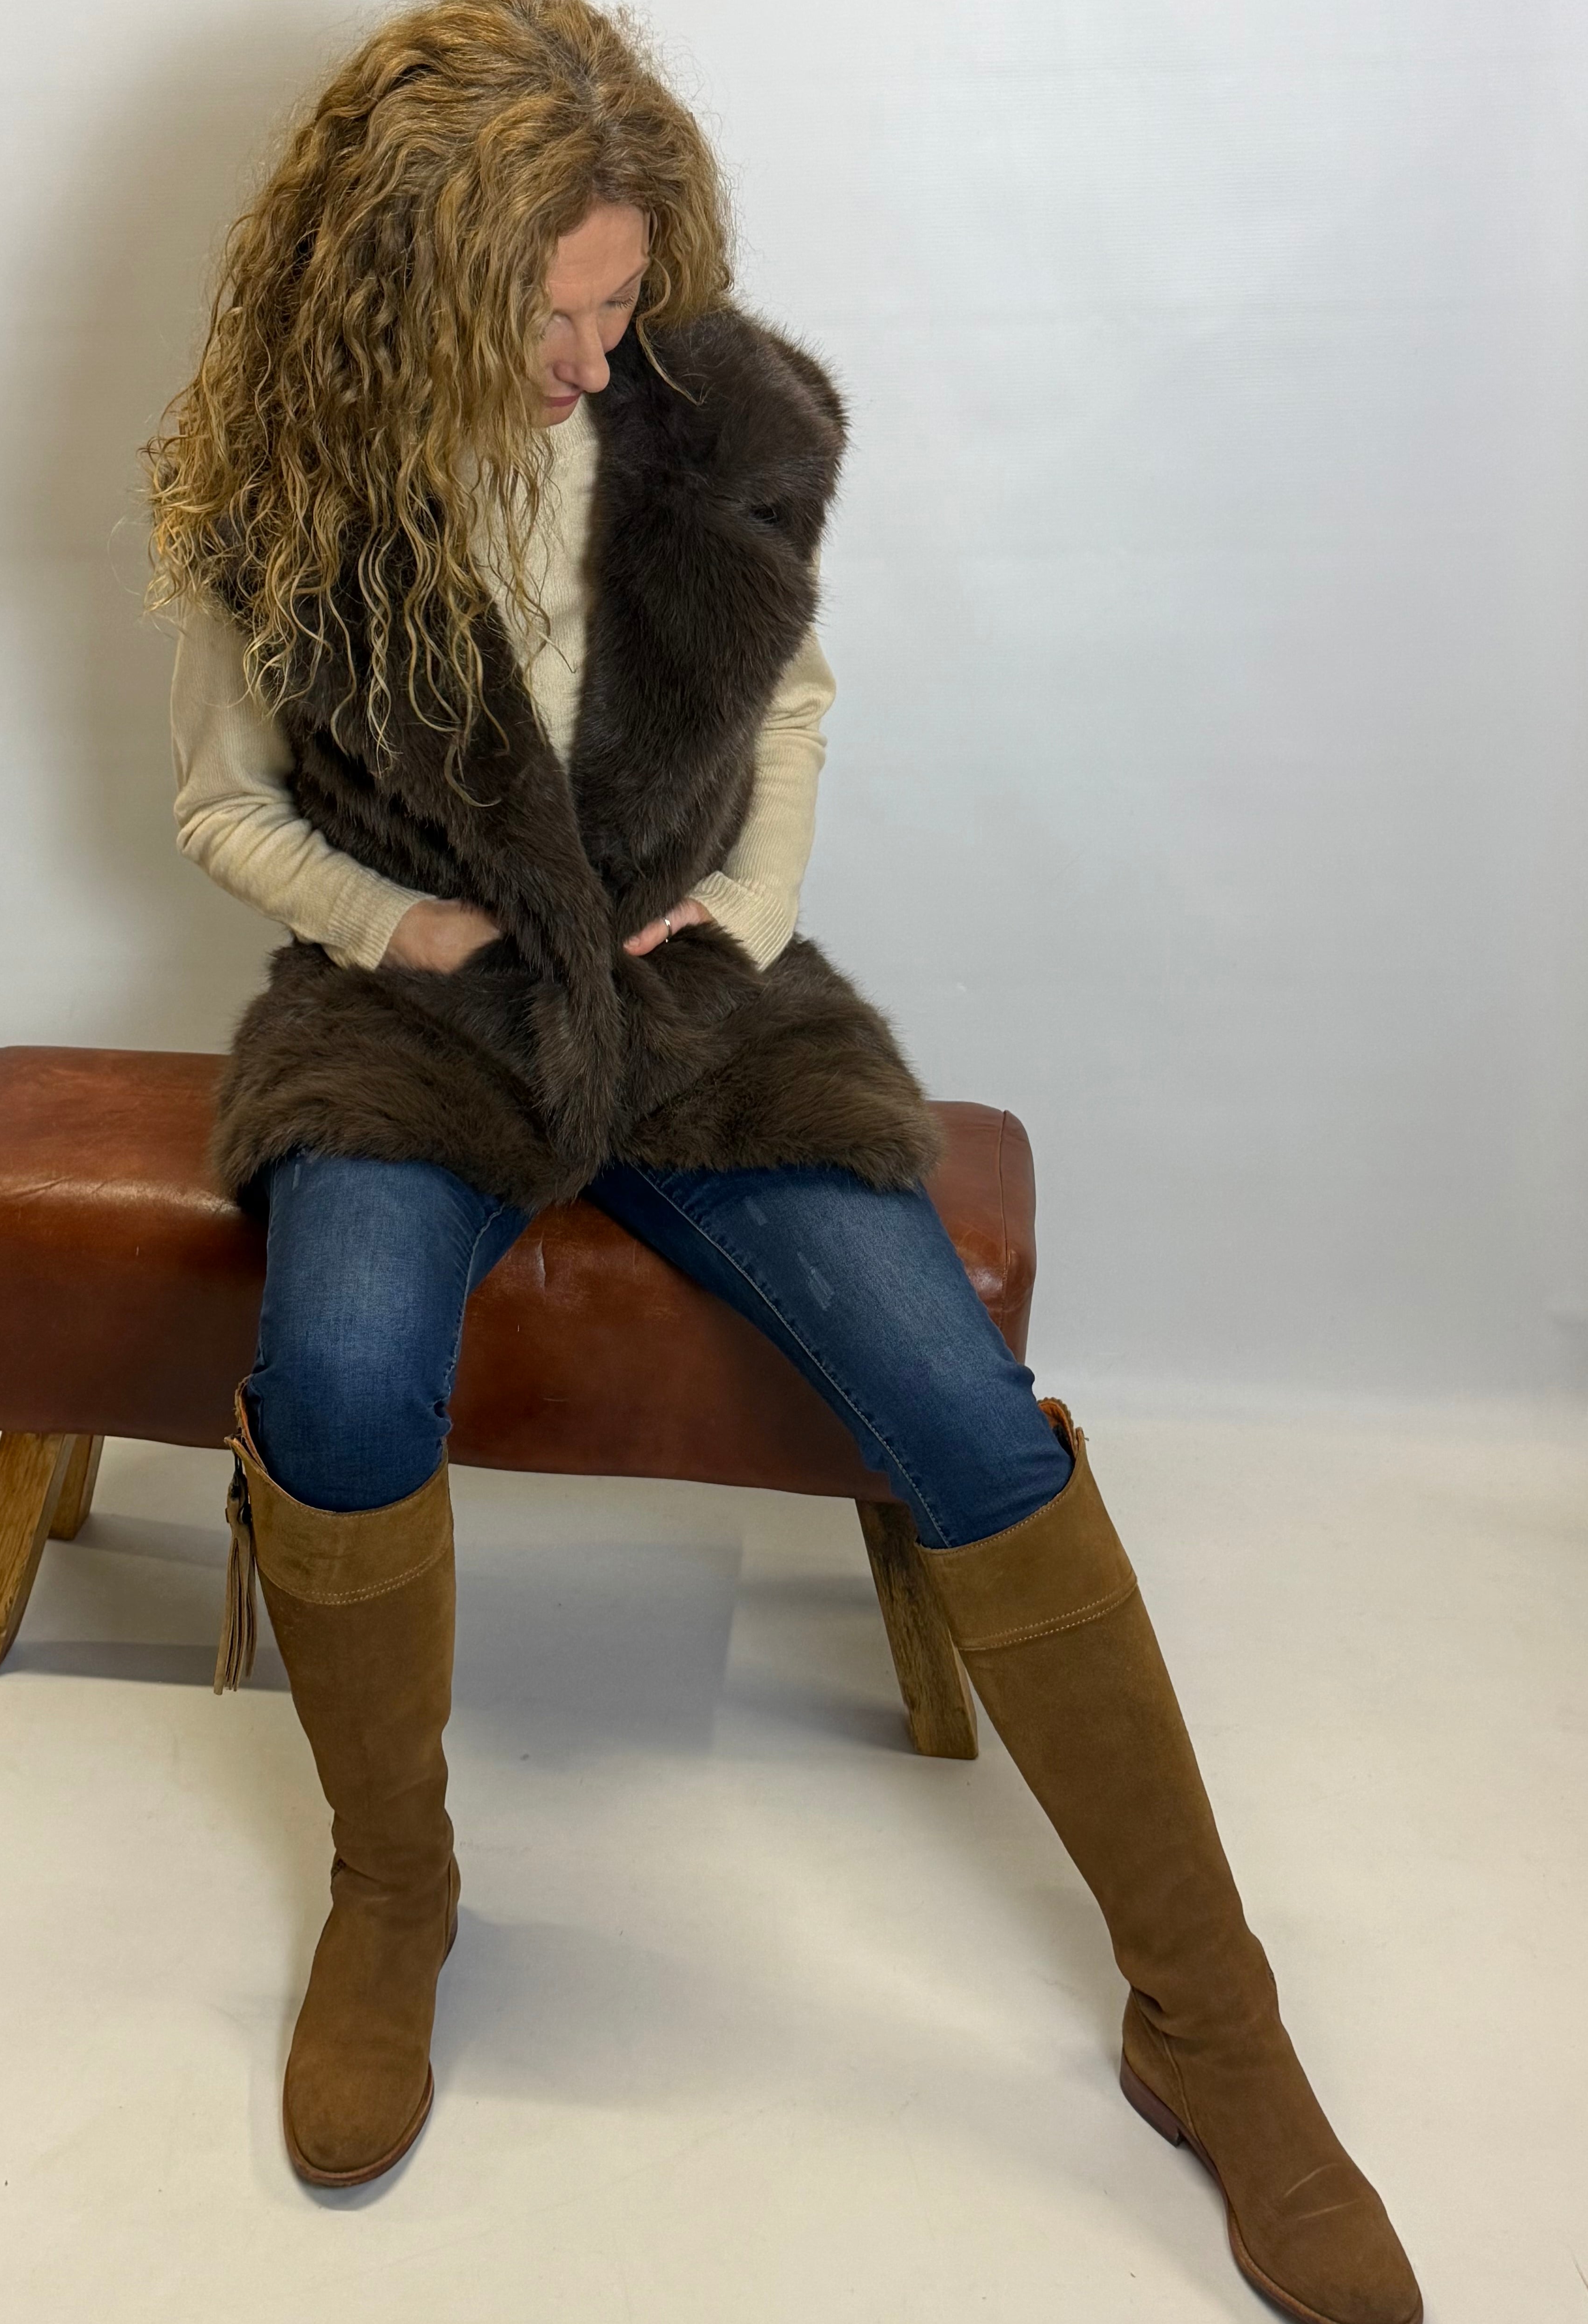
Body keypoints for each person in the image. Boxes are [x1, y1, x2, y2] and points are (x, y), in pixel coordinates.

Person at [145, 6, 1420, 2317]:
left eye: (619, 298)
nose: (588, 357)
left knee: (963, 1418)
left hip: (690, 995)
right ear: (407, 287)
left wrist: (731, 915)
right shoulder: (293, 503)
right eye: (539, 314)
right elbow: (221, 806)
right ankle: (397, 1893)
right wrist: (404, 928)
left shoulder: (710, 424)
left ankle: (1210, 2022)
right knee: (333, 1373)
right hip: (423, 1013)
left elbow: (793, 706)